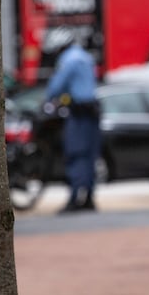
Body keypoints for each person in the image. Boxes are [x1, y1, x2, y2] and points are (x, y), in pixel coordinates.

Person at [45, 27, 101, 213]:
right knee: (91, 155)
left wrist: (47, 101)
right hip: (93, 111)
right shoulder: (85, 57)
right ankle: (89, 198)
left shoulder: (67, 60)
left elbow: (56, 87)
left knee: (76, 154)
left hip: (78, 114)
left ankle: (74, 198)